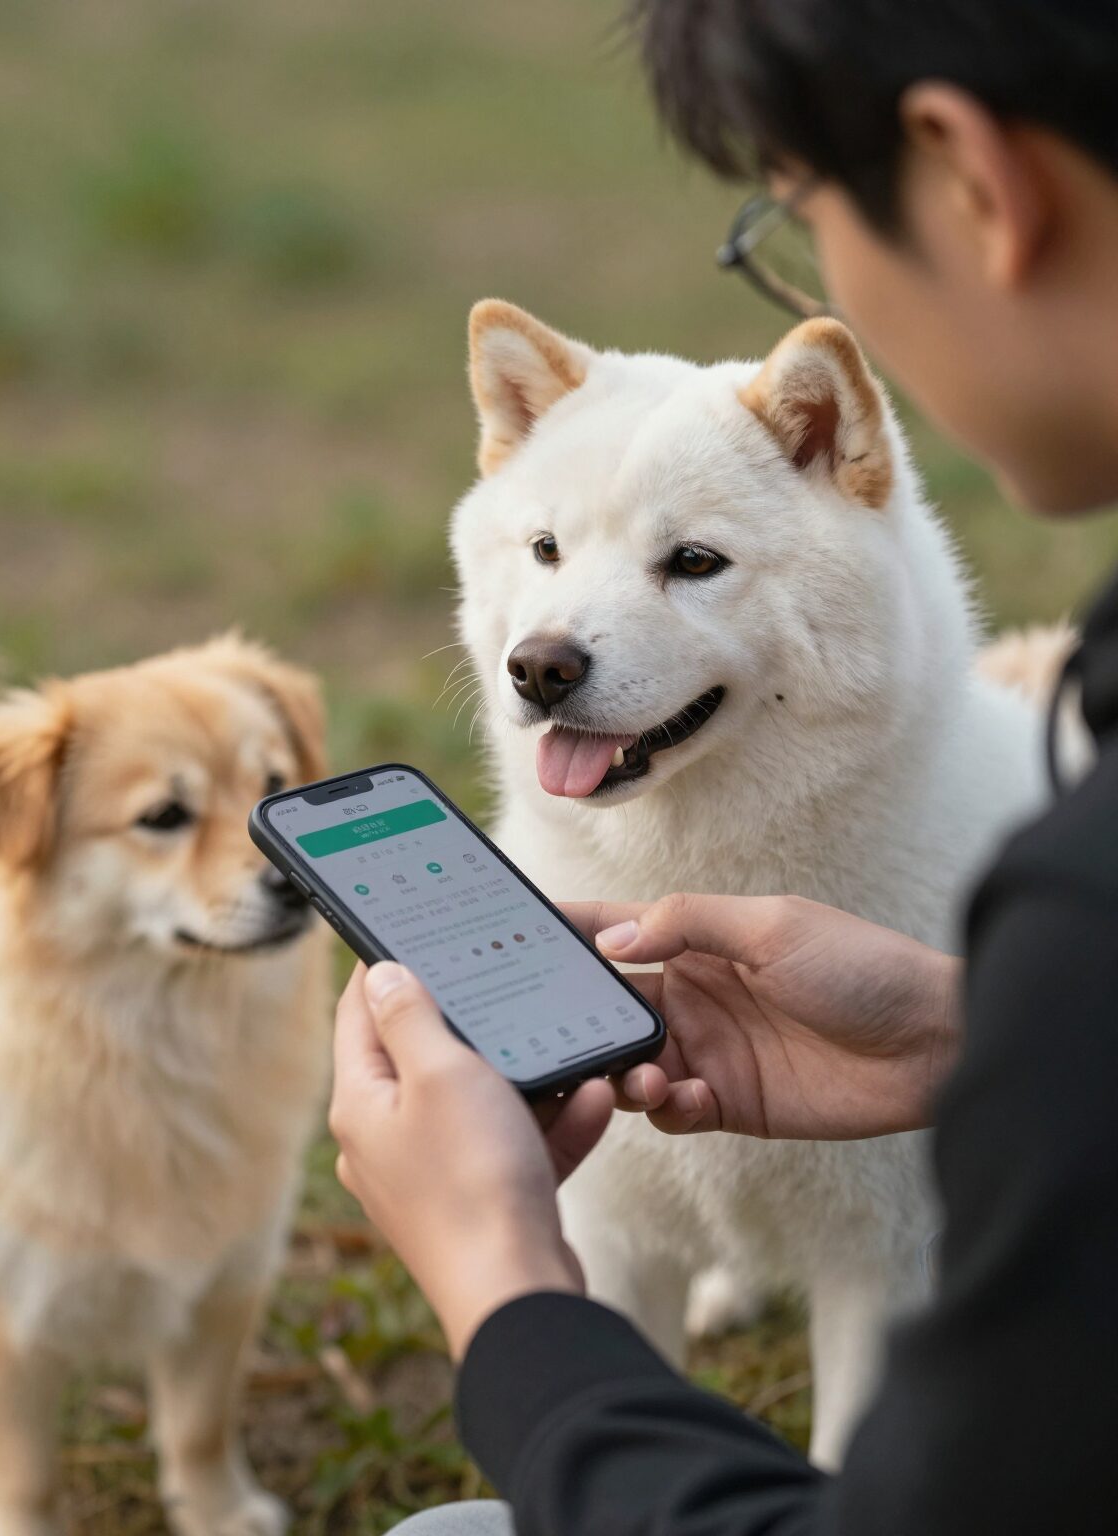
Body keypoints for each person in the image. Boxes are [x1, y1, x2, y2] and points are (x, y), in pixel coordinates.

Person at [327, 2, 1118, 1532]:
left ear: (971, 178)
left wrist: (499, 1286)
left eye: (692, 564)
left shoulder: (1065, 893)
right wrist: (976, 1042)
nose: (559, 634)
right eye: (545, 553)